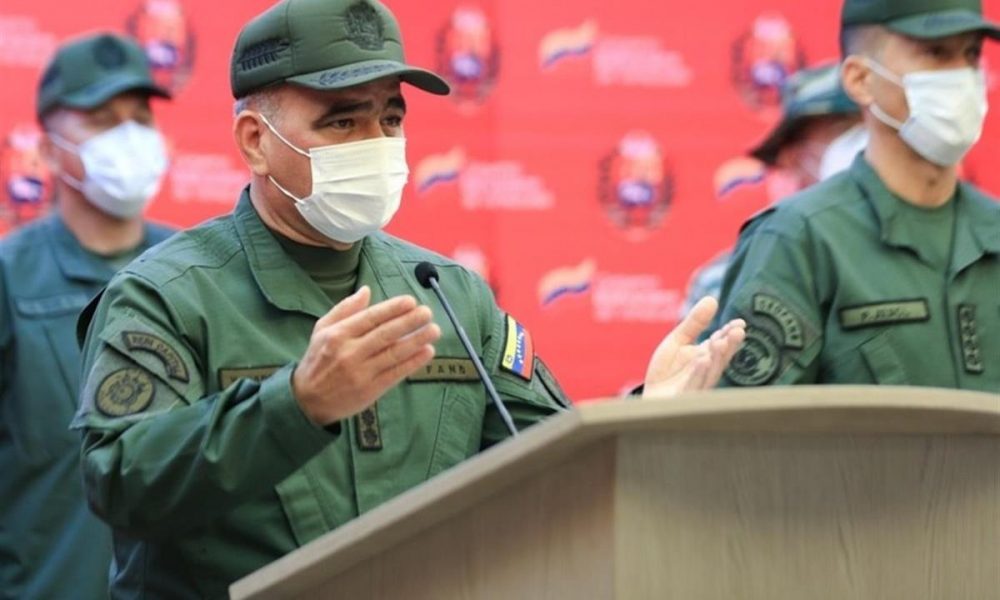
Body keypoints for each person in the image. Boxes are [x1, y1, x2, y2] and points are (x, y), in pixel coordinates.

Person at [72, 1, 746, 597]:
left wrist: (640, 421)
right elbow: (121, 480)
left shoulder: (451, 295)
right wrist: (296, 405)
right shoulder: (165, 295)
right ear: (256, 142)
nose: (376, 145)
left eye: (390, 117)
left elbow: (545, 468)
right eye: (341, 123)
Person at [715, 0, 1000, 389]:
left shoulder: (993, 228)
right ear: (861, 79)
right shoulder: (799, 240)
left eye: (969, 55)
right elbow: (739, 429)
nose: (962, 77)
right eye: (935, 53)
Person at [0, 33, 175, 598]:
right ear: (49, 151)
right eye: (102, 119)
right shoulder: (10, 278)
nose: (128, 137)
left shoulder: (197, 269)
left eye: (140, 118)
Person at [682, 63, 864, 314]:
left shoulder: (923, 262)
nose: (865, 144)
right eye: (843, 129)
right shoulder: (727, 281)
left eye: (874, 127)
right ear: (793, 156)